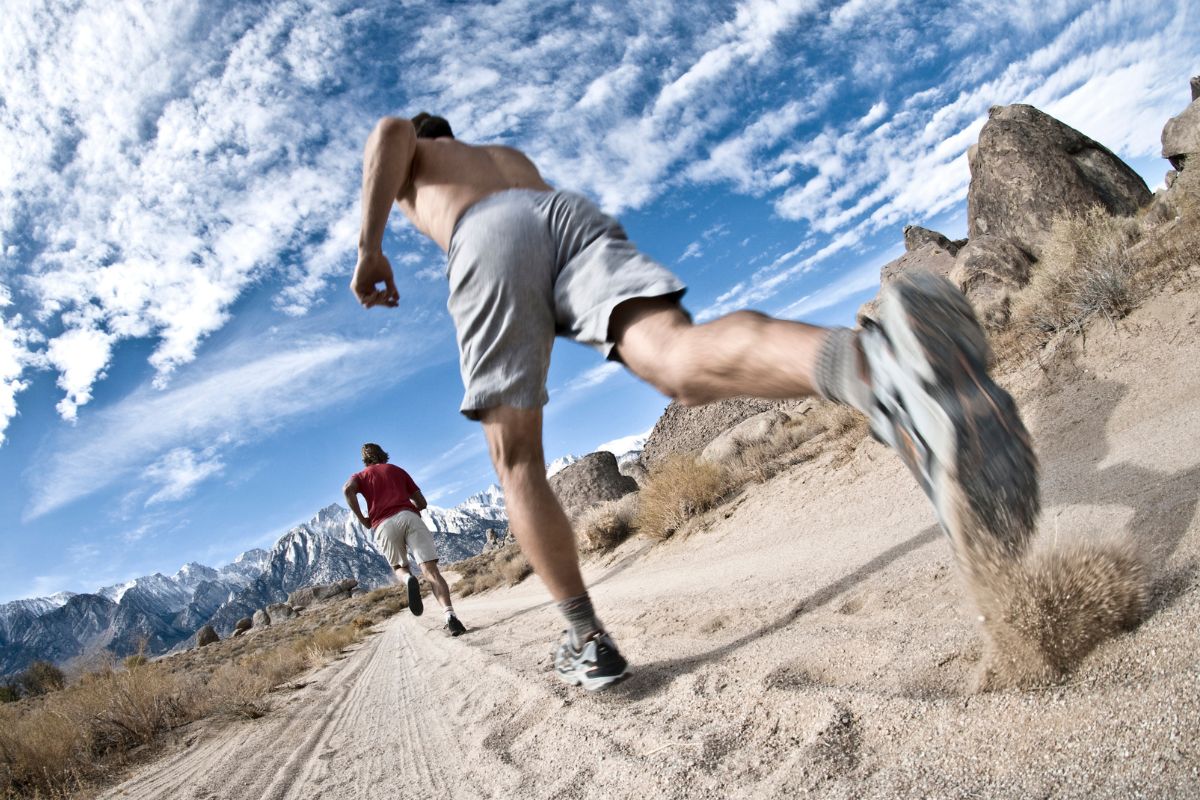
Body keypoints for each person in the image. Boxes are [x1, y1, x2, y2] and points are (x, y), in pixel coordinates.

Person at [350, 112, 1038, 691]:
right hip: (563, 216)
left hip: (487, 237)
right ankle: (882, 368)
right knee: (677, 358)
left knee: (517, 461)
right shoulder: (502, 155)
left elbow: (386, 132)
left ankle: (586, 639)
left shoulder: (414, 157)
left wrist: (371, 246)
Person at [343, 442, 467, 636]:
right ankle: (450, 616)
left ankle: (408, 578)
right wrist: (411, 505)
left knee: (400, 568)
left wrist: (363, 519)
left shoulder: (359, 476)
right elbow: (422, 502)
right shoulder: (398, 471)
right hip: (409, 517)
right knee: (431, 571)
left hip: (383, 524)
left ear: (365, 460)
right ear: (384, 455)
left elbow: (347, 490)